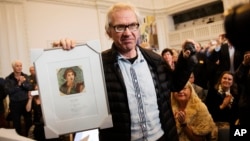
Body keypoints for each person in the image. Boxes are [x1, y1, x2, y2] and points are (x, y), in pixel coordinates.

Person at [54, 2, 197, 141]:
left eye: (132, 25)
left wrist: (185, 59)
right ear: (108, 31)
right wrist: (62, 57)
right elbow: (71, 101)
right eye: (120, 27)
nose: (127, 33)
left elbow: (175, 85)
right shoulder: (97, 64)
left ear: (138, 28)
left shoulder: (155, 60)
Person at [223, 3, 250, 132]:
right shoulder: (246, 56)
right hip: (245, 110)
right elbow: (238, 77)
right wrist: (245, 64)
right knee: (239, 134)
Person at [5, 60, 33, 136]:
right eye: (17, 66)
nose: (19, 67)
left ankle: (28, 137)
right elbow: (8, 91)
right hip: (15, 104)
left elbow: (30, 87)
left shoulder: (26, 76)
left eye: (20, 65)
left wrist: (23, 83)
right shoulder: (8, 78)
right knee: (16, 124)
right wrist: (18, 84)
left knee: (28, 122)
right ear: (13, 67)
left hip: (26, 103)